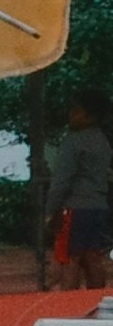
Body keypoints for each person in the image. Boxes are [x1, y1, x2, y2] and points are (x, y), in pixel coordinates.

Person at [52, 93, 113, 295]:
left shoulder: (73, 141)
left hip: (75, 207)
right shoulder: (103, 141)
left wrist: (50, 210)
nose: (71, 115)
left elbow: (62, 180)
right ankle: (98, 299)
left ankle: (68, 302)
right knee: (93, 256)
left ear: (91, 117)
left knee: (70, 257)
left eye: (77, 111)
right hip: (98, 206)